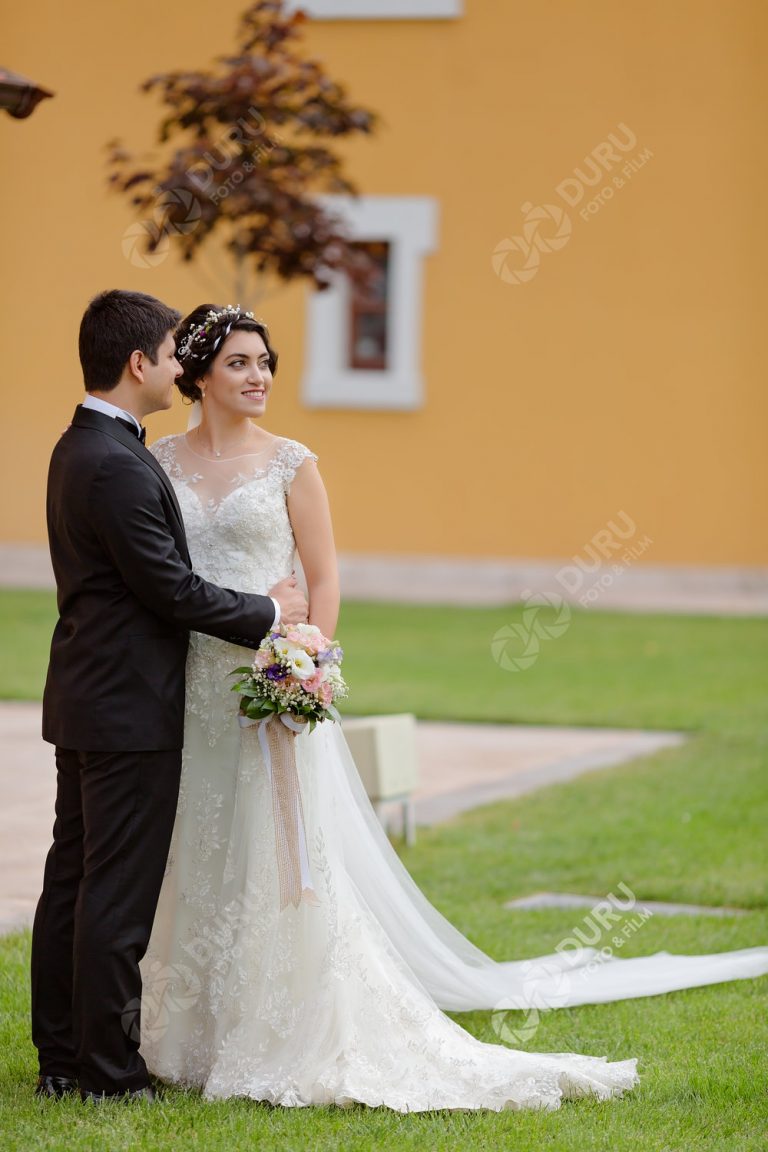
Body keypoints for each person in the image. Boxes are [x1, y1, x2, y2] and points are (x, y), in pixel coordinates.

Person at [141, 303, 768, 1112]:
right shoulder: (159, 464)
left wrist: (303, 668)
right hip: (193, 686)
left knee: (282, 858)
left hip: (269, 685)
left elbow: (324, 578)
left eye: (266, 362)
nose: (259, 376)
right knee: (199, 842)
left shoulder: (293, 463)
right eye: (239, 363)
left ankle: (288, 1028)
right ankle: (189, 1035)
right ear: (197, 374)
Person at [32, 291, 308, 1104]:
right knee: (113, 896)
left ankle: (63, 1058)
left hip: (89, 698)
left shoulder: (84, 445)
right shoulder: (117, 461)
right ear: (138, 365)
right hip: (127, 710)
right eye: (170, 352)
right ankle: (109, 1075)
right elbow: (171, 590)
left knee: (76, 883)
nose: (181, 365)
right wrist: (270, 613)